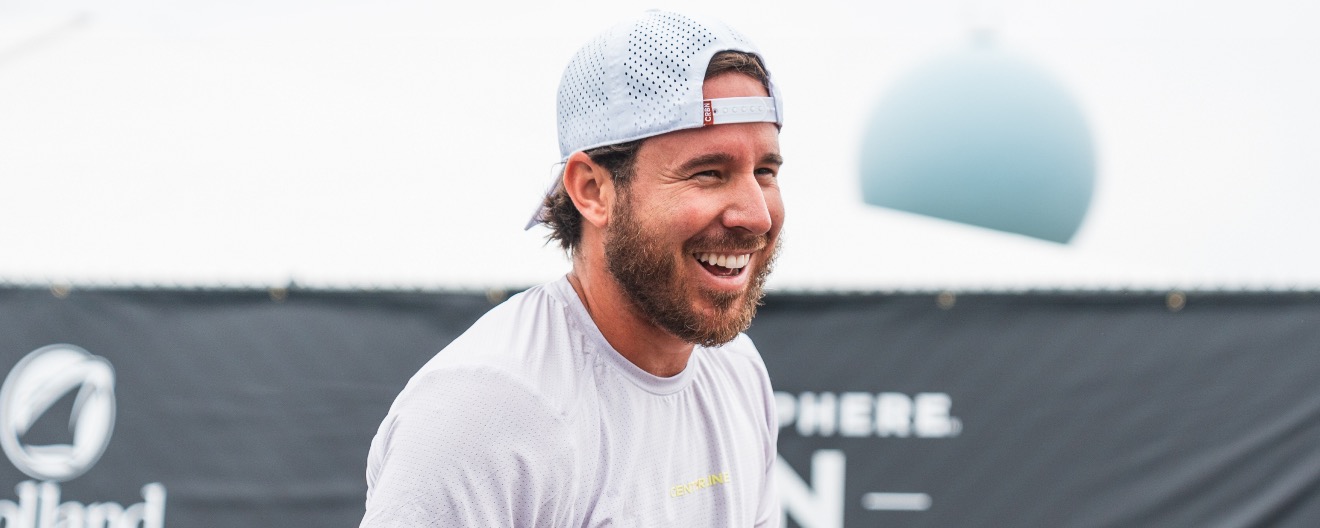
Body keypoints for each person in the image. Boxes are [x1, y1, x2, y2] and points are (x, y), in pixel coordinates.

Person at [361, 9, 785, 526]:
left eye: (764, 171)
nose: (757, 216)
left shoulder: (737, 372)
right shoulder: (484, 410)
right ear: (592, 190)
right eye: (709, 173)